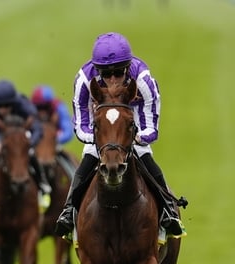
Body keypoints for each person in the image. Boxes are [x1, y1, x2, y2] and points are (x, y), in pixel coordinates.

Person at [54, 32, 185, 237]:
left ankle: (169, 209)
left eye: (118, 72)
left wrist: (136, 138)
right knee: (84, 167)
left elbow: (150, 124)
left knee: (148, 162)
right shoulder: (84, 79)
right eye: (106, 74)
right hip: (101, 132)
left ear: (128, 67)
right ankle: (68, 210)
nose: (113, 79)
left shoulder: (143, 79)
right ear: (97, 70)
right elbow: (81, 124)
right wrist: (102, 140)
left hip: (132, 128)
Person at [0, 79, 51, 207]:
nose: (3, 109)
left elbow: (37, 128)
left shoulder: (23, 104)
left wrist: (28, 144)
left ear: (13, 103)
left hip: (18, 133)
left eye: (7, 105)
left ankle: (43, 185)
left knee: (31, 153)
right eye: (0, 106)